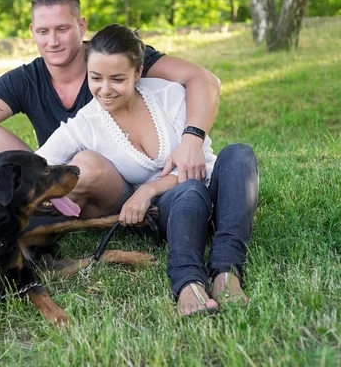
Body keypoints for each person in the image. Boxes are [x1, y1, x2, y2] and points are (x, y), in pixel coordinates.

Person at [35, 23, 259, 316]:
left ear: (138, 73)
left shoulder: (169, 95)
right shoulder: (85, 124)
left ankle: (226, 274)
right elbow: (36, 165)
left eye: (117, 79)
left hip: (220, 196)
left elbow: (200, 167)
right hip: (175, 213)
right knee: (187, 190)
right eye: (95, 78)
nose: (105, 89)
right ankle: (188, 283)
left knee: (240, 153)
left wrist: (148, 189)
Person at [0, 0, 222, 213]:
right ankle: (3, 215)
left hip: (115, 179)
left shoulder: (112, 58)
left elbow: (204, 80)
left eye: (62, 29)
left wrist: (192, 140)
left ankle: (42, 218)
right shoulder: (23, 79)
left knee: (84, 163)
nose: (53, 41)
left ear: (81, 25)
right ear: (32, 32)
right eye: (43, 31)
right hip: (58, 175)